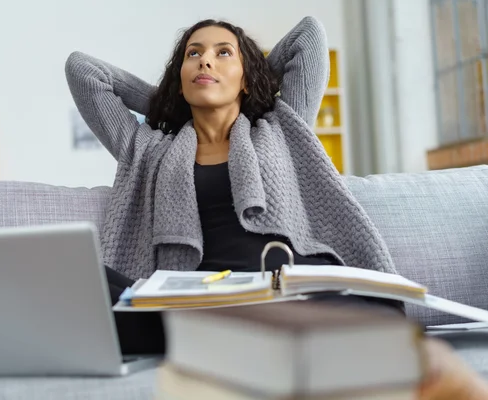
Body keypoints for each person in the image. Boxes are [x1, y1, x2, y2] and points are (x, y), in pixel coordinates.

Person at [65, 16, 404, 355]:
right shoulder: (148, 148)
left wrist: (247, 78)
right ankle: (239, 340)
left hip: (289, 289)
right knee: (78, 279)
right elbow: (83, 70)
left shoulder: (283, 126)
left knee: (362, 314)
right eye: (193, 55)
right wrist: (170, 100)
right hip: (198, 304)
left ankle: (262, 339)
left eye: (223, 52)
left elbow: (308, 35)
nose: (205, 60)